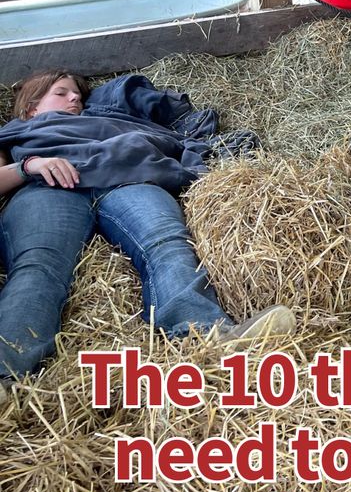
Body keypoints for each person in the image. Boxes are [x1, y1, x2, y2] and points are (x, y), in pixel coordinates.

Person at [0, 71, 295, 395]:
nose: (75, 99)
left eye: (79, 96)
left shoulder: (111, 120)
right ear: (31, 108)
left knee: (167, 244)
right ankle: (6, 371)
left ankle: (209, 338)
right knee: (39, 265)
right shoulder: (14, 133)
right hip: (48, 187)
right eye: (62, 92)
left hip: (128, 179)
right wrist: (28, 166)